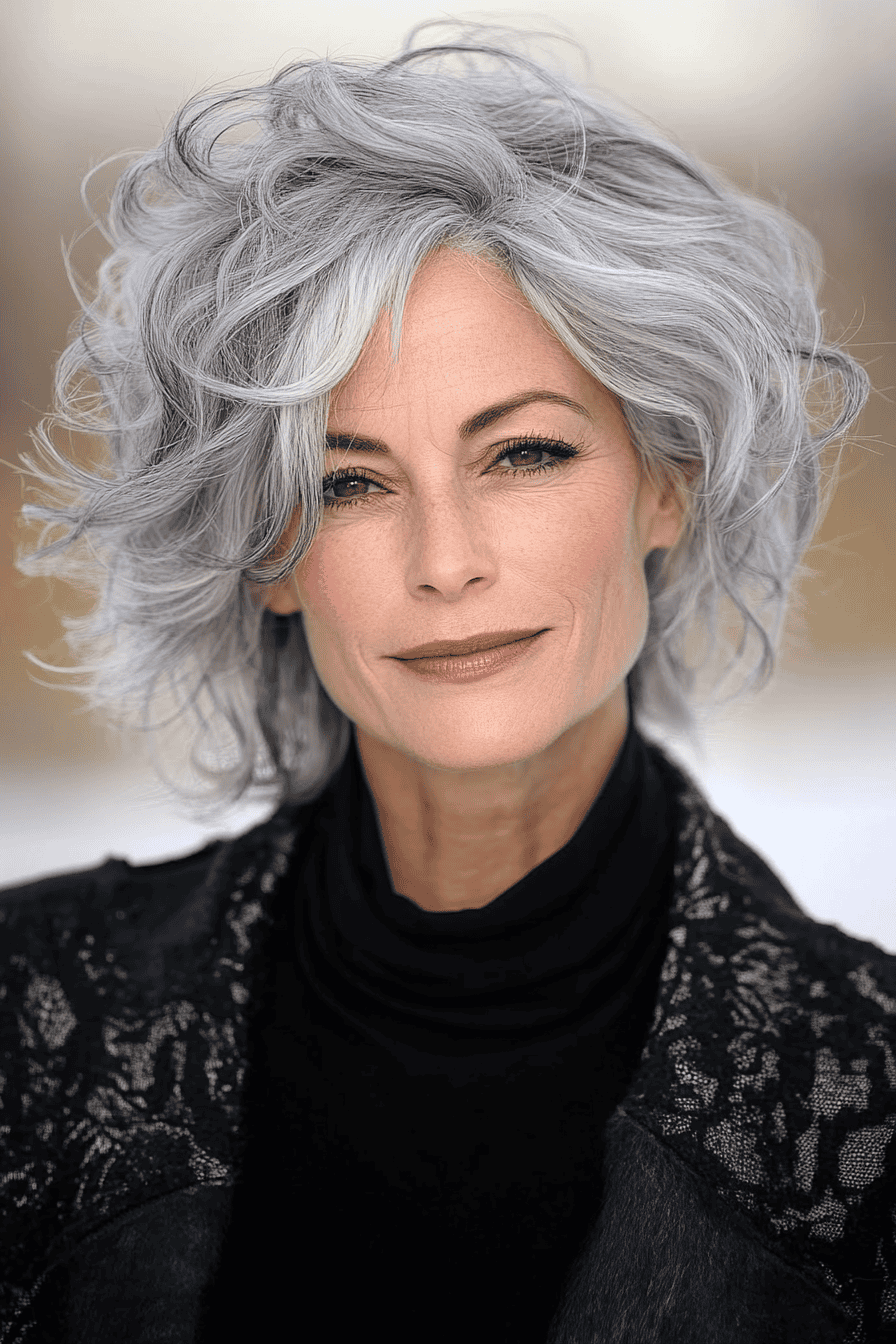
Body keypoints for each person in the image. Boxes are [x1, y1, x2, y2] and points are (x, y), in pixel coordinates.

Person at [1, 19, 892, 1344]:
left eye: (521, 455)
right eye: (349, 481)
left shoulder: (870, 1090)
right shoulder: (28, 1021)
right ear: (268, 556)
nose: (447, 561)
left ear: (666, 482)